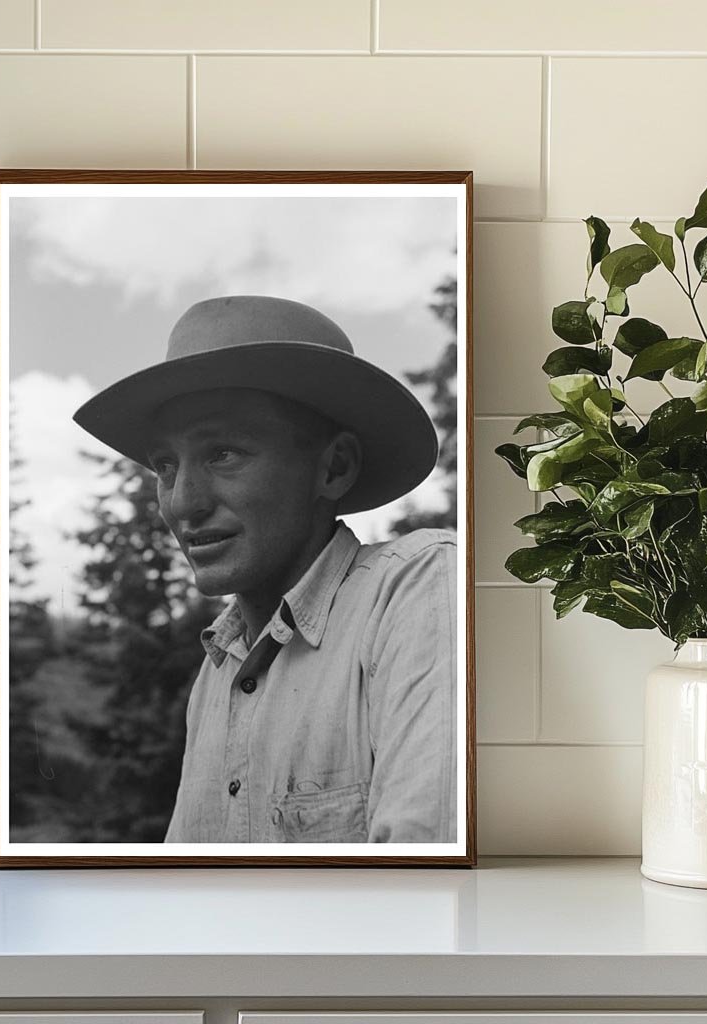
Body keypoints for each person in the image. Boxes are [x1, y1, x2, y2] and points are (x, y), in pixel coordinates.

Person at [73, 295, 457, 844]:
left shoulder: (416, 590)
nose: (183, 503)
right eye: (165, 466)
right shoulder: (218, 672)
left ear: (335, 467)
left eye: (222, 454)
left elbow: (424, 889)